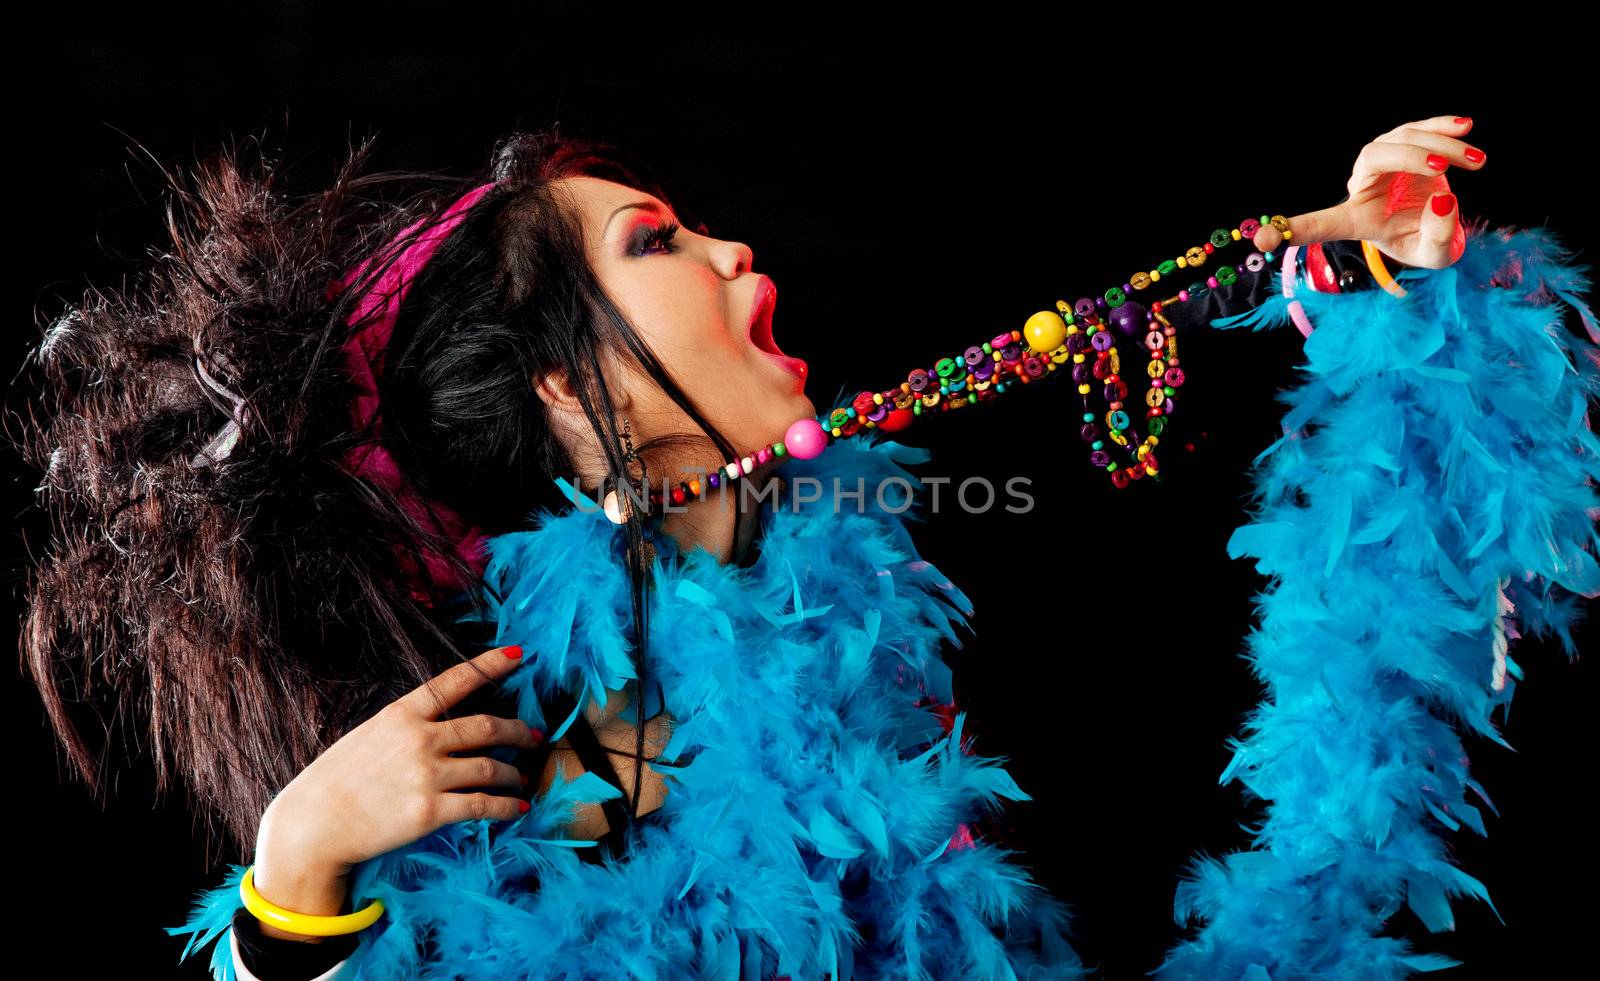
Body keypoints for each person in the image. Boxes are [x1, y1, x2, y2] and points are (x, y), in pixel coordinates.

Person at [17, 117, 1481, 979]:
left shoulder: (886, 573)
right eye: (656, 244)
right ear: (548, 389)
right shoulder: (534, 776)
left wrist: (1359, 261)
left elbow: (1346, 716)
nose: (731, 253)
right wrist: (292, 889)